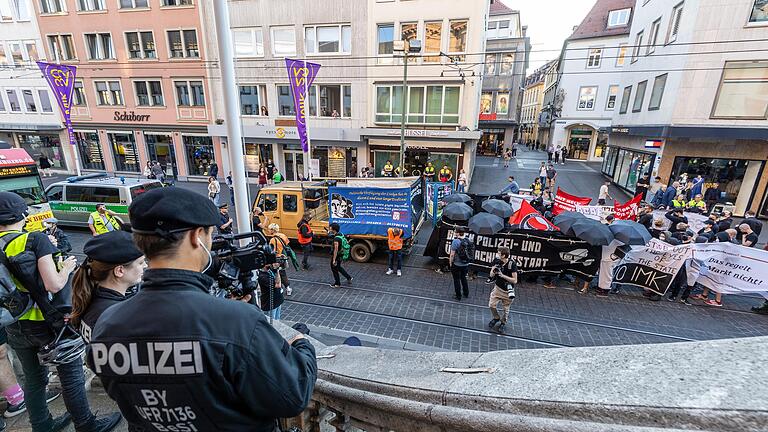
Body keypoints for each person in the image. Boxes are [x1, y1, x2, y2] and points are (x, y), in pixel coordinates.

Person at [87, 187, 317, 431]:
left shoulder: (106, 324)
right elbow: (293, 395)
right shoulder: (237, 322)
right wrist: (302, 344)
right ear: (197, 236)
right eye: (210, 233)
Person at [0, 192, 122, 432]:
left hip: (14, 322)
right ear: (22, 214)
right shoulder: (33, 240)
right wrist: (66, 266)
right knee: (71, 376)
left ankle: (43, 426)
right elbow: (54, 284)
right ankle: (86, 425)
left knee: (34, 379)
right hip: (49, 323)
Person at [70, 230, 146, 344]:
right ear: (119, 271)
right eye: (140, 263)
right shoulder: (119, 316)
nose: (145, 266)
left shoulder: (91, 298)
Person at [487, 247, 517, 334]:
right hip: (497, 288)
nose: (497, 254)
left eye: (499, 253)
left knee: (505, 310)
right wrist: (494, 269)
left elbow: (515, 280)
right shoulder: (496, 261)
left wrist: (502, 275)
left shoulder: (512, 264)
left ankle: (503, 322)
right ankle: (496, 317)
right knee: (491, 305)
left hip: (507, 291)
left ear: (504, 255)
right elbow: (491, 275)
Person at [268, 223, 292, 296]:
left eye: (269, 229)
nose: (268, 230)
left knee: (276, 274)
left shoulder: (272, 240)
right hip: (283, 257)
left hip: (276, 259)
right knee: (283, 273)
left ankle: (279, 288)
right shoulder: (283, 235)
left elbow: (271, 251)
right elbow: (287, 245)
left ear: (272, 230)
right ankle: (288, 288)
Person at [449, 227, 471, 301]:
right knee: (463, 278)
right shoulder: (468, 240)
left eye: (455, 232)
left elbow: (452, 255)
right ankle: (466, 293)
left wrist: (450, 263)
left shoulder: (455, 241)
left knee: (456, 279)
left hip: (457, 264)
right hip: (466, 264)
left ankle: (458, 295)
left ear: (458, 233)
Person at [328, 223, 352, 288]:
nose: (329, 229)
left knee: (334, 269)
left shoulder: (336, 239)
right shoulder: (340, 234)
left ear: (334, 229)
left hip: (337, 255)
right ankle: (348, 277)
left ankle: (337, 283)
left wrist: (333, 259)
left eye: (330, 228)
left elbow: (335, 250)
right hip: (341, 254)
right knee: (338, 267)